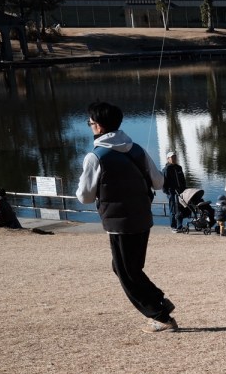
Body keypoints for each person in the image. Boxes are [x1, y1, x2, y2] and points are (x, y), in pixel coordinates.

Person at [75, 101, 176, 333]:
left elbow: (84, 197)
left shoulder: (95, 157)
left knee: (126, 271)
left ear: (98, 126)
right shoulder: (137, 149)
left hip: (118, 223)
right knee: (128, 268)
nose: (90, 126)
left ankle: (160, 314)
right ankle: (159, 303)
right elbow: (159, 182)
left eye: (90, 123)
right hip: (143, 218)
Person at [162, 151, 186, 232]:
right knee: (173, 210)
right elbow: (163, 182)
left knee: (180, 209)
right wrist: (167, 193)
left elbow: (183, 179)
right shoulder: (166, 169)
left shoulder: (179, 167)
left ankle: (180, 226)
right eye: (172, 157)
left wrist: (184, 189)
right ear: (168, 159)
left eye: (175, 157)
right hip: (171, 192)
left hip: (180, 192)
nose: (174, 159)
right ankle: (173, 227)